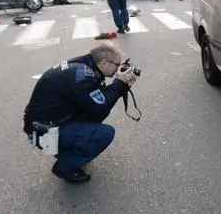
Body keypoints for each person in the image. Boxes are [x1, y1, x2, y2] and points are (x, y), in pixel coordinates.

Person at [23, 42, 138, 184]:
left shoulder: (84, 66)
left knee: (92, 117)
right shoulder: (81, 75)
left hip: (45, 126)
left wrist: (120, 86)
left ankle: (67, 151)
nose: (119, 69)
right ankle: (64, 168)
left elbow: (97, 104)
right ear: (104, 63)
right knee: (105, 133)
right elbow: (101, 107)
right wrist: (118, 84)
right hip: (42, 135)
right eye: (118, 64)